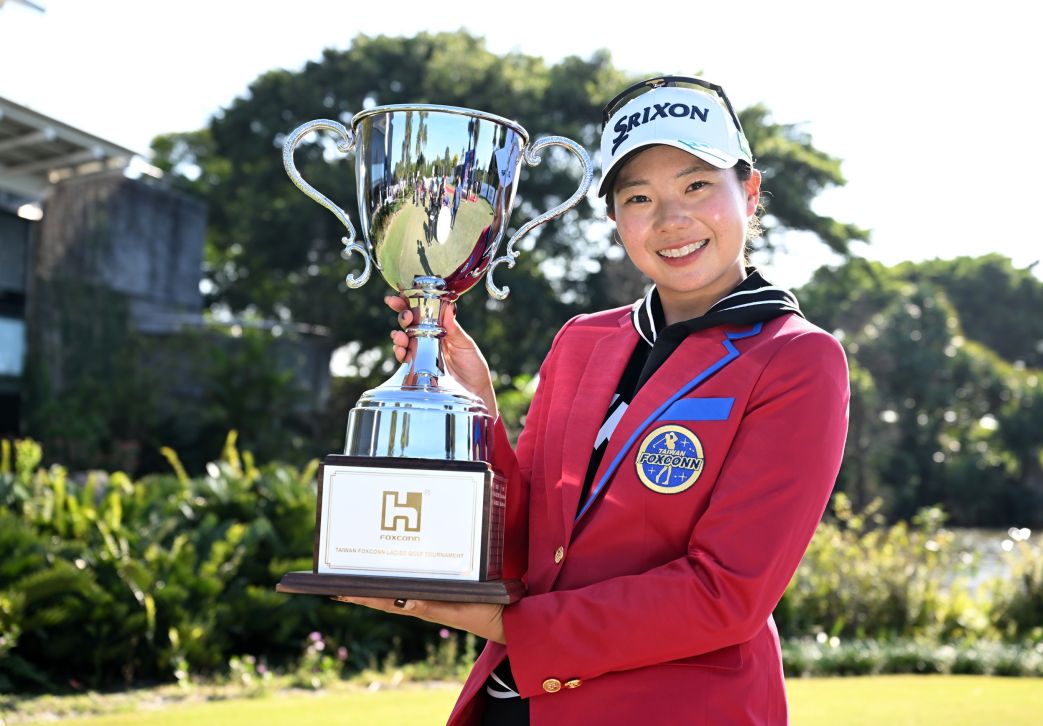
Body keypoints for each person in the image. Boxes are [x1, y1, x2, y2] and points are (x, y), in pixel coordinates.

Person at [336, 76, 850, 725]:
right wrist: (477, 408)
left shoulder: (797, 358)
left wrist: (509, 624)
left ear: (749, 194)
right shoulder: (583, 341)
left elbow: (725, 595)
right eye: (639, 197)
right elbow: (525, 542)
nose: (671, 219)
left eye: (696, 185)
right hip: (515, 705)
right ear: (615, 220)